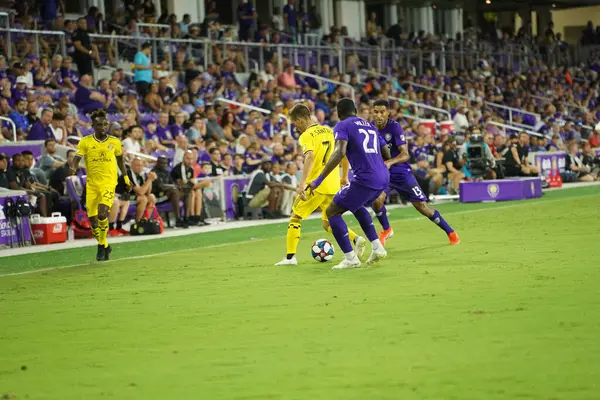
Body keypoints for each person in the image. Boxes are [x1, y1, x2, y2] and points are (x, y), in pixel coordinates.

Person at [275, 105, 365, 265]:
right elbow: (343, 153)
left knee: (295, 218)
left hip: (315, 185)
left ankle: (290, 258)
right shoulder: (330, 131)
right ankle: (356, 238)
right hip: (332, 184)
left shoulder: (306, 136)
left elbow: (309, 156)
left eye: (295, 123)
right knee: (328, 222)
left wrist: (302, 183)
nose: (295, 127)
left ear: (301, 119)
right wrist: (344, 176)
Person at [307, 98, 389, 269]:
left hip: (365, 178)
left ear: (338, 113)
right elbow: (386, 151)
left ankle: (350, 258)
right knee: (356, 205)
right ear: (355, 111)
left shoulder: (343, 125)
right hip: (382, 176)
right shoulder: (370, 125)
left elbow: (339, 152)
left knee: (332, 212)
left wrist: (319, 179)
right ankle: (377, 247)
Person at [370, 100, 459, 245]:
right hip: (384, 173)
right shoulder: (370, 128)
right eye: (376, 112)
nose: (379, 115)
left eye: (382, 112)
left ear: (388, 113)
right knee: (377, 200)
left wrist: (390, 162)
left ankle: (450, 232)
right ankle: (386, 229)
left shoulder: (395, 127)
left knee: (422, 207)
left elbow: (405, 155)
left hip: (401, 172)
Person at [69, 109, 132, 262]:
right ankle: (104, 244)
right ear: (93, 125)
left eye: (105, 124)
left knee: (103, 213)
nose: (103, 126)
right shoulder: (85, 141)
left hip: (109, 183)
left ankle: (100, 247)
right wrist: (73, 166)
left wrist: (126, 178)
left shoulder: (115, 142)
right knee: (93, 220)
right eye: (99, 124)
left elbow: (120, 162)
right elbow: (77, 157)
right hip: (91, 184)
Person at [171, 151, 211, 226]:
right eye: (188, 159)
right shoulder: (179, 168)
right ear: (183, 158)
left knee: (198, 191)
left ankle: (197, 217)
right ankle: (190, 217)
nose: (190, 161)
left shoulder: (190, 169)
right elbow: (185, 184)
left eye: (191, 159)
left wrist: (196, 184)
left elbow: (190, 183)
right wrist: (201, 184)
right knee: (191, 192)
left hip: (186, 189)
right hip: (177, 192)